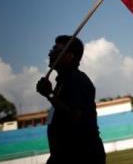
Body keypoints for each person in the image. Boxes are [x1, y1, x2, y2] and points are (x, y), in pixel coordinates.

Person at [36, 35, 106, 164]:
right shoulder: (62, 82)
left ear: (69, 56)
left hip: (82, 156)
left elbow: (75, 116)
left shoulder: (76, 79)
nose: (50, 53)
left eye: (55, 50)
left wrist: (49, 95)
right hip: (66, 155)